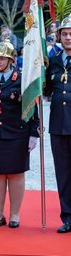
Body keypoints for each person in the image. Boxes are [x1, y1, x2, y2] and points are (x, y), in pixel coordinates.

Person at [0, 40, 39, 228]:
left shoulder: (21, 79)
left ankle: (15, 214)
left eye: (2, 58)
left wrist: (34, 133)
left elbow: (32, 107)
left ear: (11, 60)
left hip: (17, 133)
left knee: (16, 174)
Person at [44, 14, 71, 233]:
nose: (68, 37)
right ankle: (68, 216)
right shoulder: (53, 61)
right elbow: (46, 90)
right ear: (59, 37)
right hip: (58, 125)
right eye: (65, 34)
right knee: (63, 173)